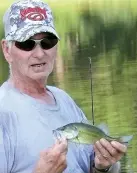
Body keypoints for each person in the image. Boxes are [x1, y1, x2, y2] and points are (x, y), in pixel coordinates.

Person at [0, 0, 127, 173]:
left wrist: (103, 166)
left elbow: (91, 167)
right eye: (26, 43)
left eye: (47, 42)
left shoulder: (64, 99)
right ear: (6, 49)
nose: (39, 53)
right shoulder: (3, 112)